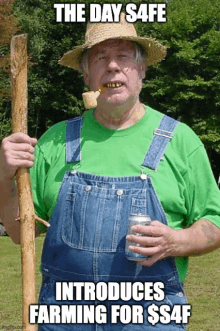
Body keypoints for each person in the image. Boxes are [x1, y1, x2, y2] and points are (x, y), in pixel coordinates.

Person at [1, 13, 220, 330]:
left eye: (123, 57)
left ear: (141, 69)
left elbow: (215, 221)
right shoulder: (54, 142)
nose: (112, 66)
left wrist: (177, 240)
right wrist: (3, 176)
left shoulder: (180, 142)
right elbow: (20, 232)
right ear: (87, 75)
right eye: (100, 58)